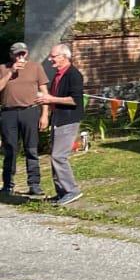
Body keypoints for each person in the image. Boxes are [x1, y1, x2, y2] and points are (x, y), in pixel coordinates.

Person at [1, 42, 50, 197]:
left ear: (27, 53)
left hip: (30, 111)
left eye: (23, 53)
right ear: (11, 55)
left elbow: (44, 92)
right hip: (9, 112)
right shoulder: (3, 68)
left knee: (31, 149)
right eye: (17, 54)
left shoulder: (36, 67)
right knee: (10, 150)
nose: (20, 57)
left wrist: (44, 114)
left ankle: (34, 184)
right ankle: (8, 184)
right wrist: (11, 73)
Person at [37, 44, 84, 205]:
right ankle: (61, 192)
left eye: (53, 56)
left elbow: (75, 100)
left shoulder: (73, 74)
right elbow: (53, 98)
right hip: (58, 118)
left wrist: (51, 99)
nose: (50, 59)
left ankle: (71, 190)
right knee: (54, 156)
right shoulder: (58, 75)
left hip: (69, 119)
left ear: (64, 56)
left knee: (59, 156)